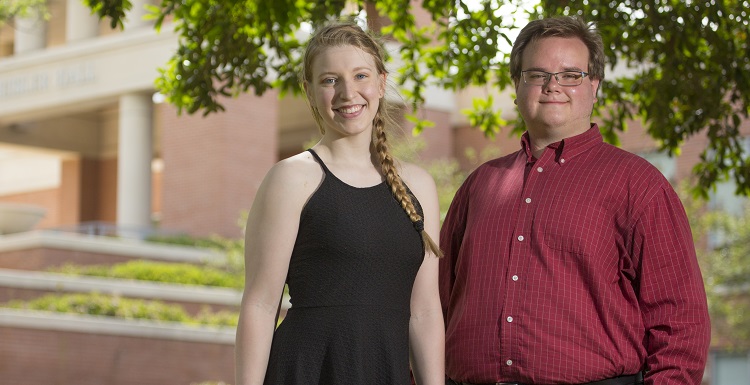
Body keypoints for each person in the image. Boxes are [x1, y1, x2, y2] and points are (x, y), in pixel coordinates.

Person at [439, 16, 710, 385]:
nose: (553, 86)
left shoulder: (638, 185)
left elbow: (681, 323)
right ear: (516, 85)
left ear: (594, 85)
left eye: (571, 75)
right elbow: (434, 305)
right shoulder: (478, 186)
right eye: (537, 74)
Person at [235, 21, 445, 385]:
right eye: (330, 80)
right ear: (310, 91)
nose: (348, 92)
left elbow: (424, 311)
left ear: (381, 82)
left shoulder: (419, 186)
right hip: (303, 372)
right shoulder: (291, 178)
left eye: (360, 75)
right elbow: (260, 304)